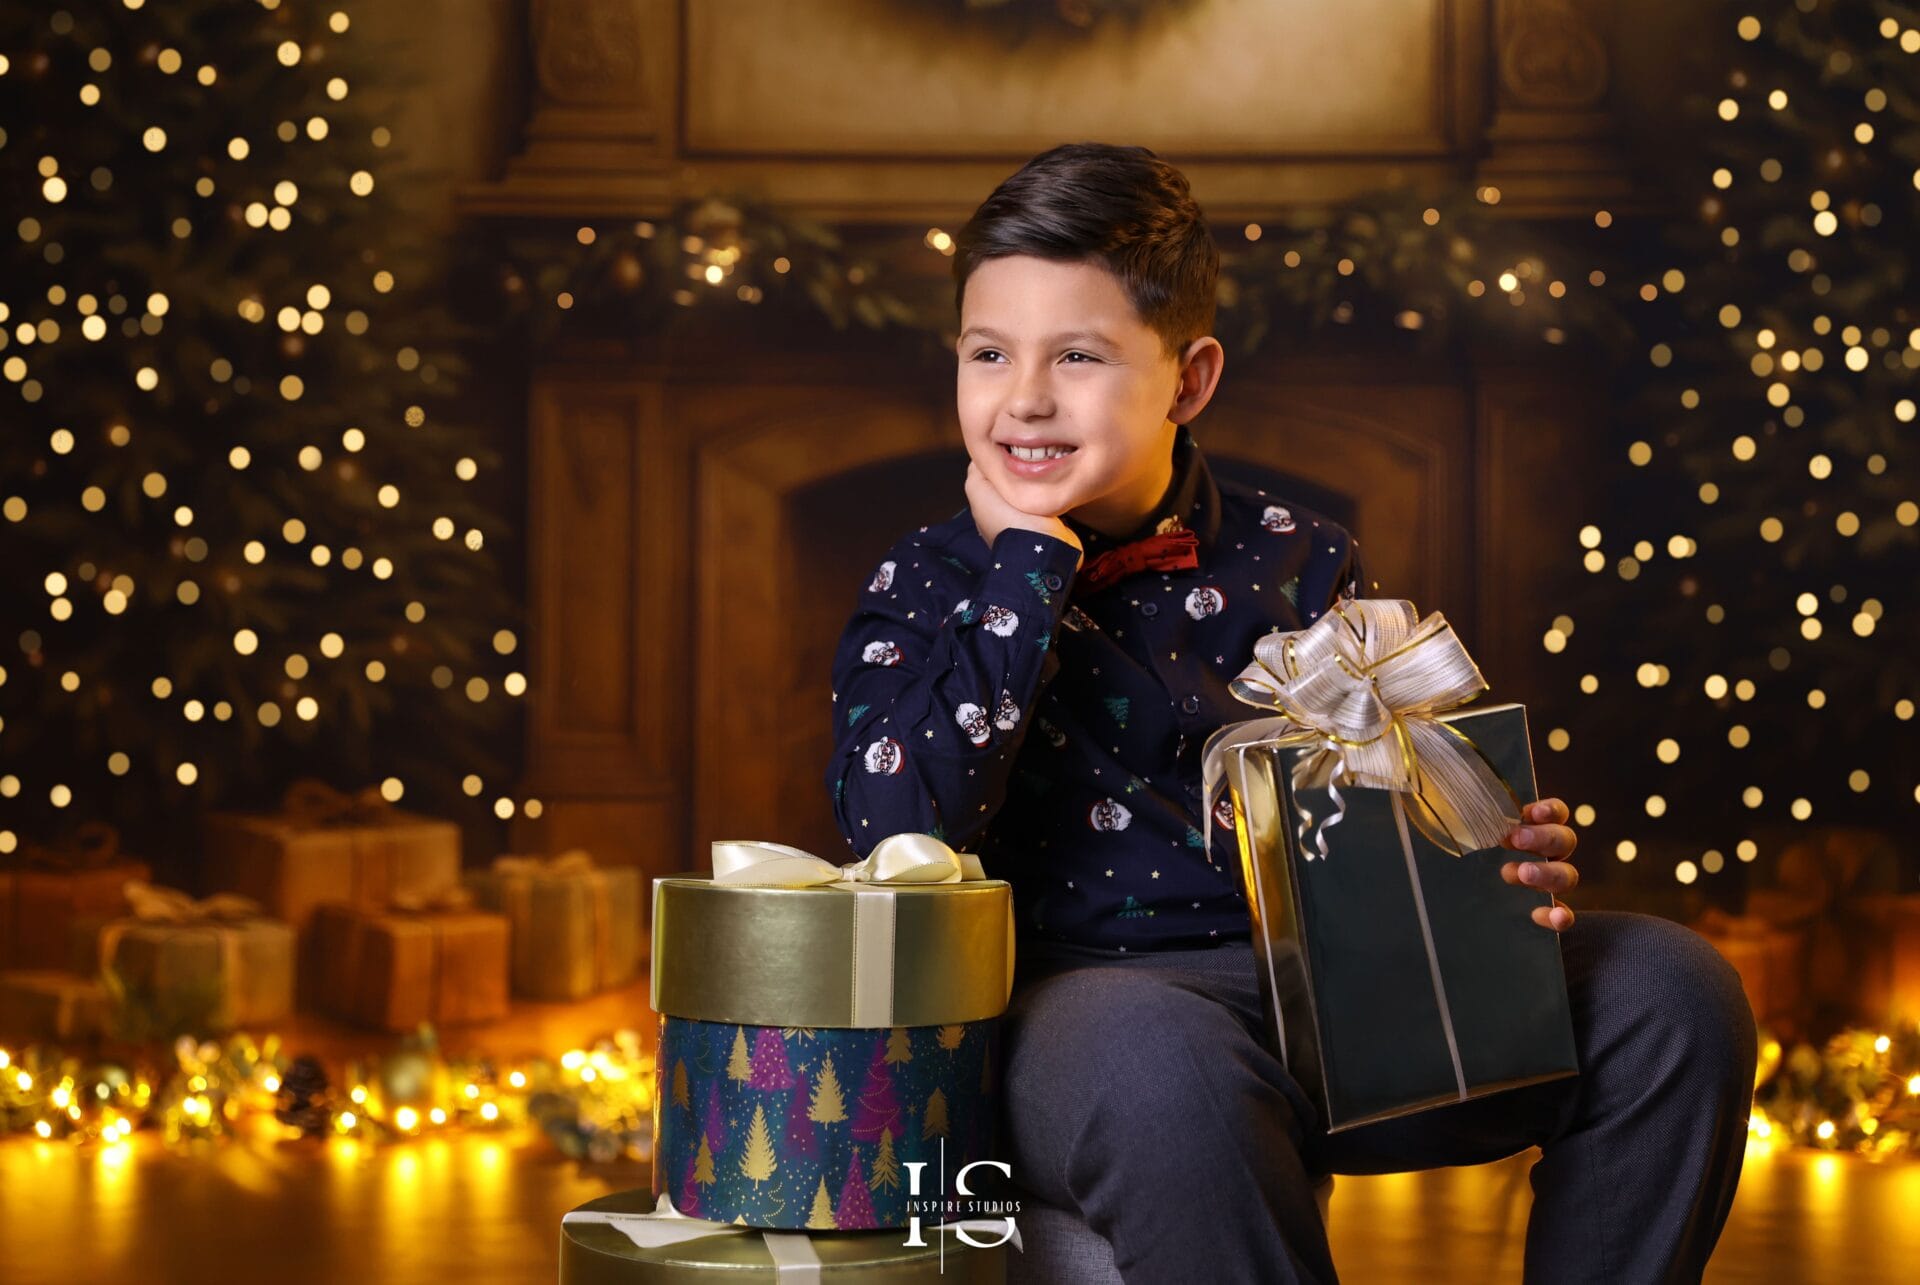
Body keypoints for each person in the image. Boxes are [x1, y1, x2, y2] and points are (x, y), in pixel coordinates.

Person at [822, 141, 1757, 1284]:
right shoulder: (924, 584)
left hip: (1334, 996)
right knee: (1162, 1061)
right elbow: (893, 827)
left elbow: (1386, 800)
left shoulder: (1299, 554)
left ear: (1190, 378)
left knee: (1673, 990)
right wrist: (1025, 567)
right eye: (986, 353)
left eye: (1078, 355)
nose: (1023, 398)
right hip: (1084, 1014)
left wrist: (1489, 857)